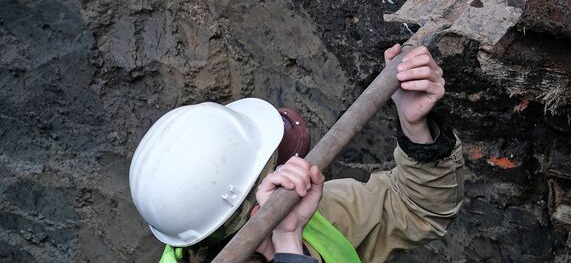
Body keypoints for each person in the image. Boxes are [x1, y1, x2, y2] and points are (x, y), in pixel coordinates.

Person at [129, 44, 464, 263]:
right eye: (272, 163)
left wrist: (415, 126)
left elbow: (414, 210)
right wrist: (288, 244)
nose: (288, 165)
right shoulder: (291, 224)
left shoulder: (309, 216)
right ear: (255, 204)